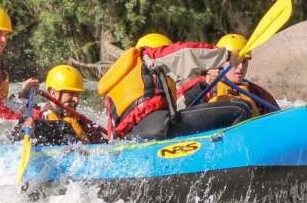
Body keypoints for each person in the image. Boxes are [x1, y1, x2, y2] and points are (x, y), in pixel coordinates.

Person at [98, 32, 252, 141]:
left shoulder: (121, 78)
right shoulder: (151, 56)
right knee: (241, 108)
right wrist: (226, 55)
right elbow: (186, 52)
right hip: (158, 126)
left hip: (132, 136)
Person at [178, 33, 280, 117]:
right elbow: (177, 109)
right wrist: (204, 85)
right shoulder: (200, 85)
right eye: (236, 61)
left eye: (244, 62)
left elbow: (278, 118)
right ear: (220, 61)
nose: (240, 67)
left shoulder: (256, 92)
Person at [32, 64, 104, 145]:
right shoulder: (39, 117)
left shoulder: (80, 120)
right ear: (53, 93)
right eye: (71, 94)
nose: (76, 99)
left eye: (78, 94)